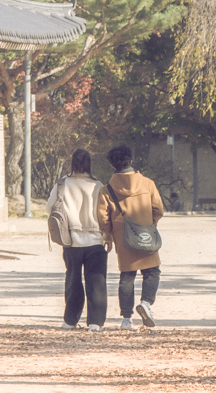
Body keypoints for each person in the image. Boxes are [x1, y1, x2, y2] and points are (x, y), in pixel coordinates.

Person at [98, 142, 165, 330]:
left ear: (112, 164)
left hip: (123, 237)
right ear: (131, 160)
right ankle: (146, 303)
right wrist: (150, 224)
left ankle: (126, 319)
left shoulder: (107, 190)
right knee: (152, 271)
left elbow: (103, 218)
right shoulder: (148, 184)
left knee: (127, 276)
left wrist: (109, 235)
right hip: (146, 233)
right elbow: (158, 209)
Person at [47, 148, 108, 332]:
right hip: (95, 241)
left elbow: (50, 207)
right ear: (89, 164)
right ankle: (95, 322)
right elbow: (106, 213)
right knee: (96, 282)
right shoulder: (98, 185)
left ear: (72, 163)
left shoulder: (62, 184)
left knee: (73, 281)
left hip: (71, 240)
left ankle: (70, 320)